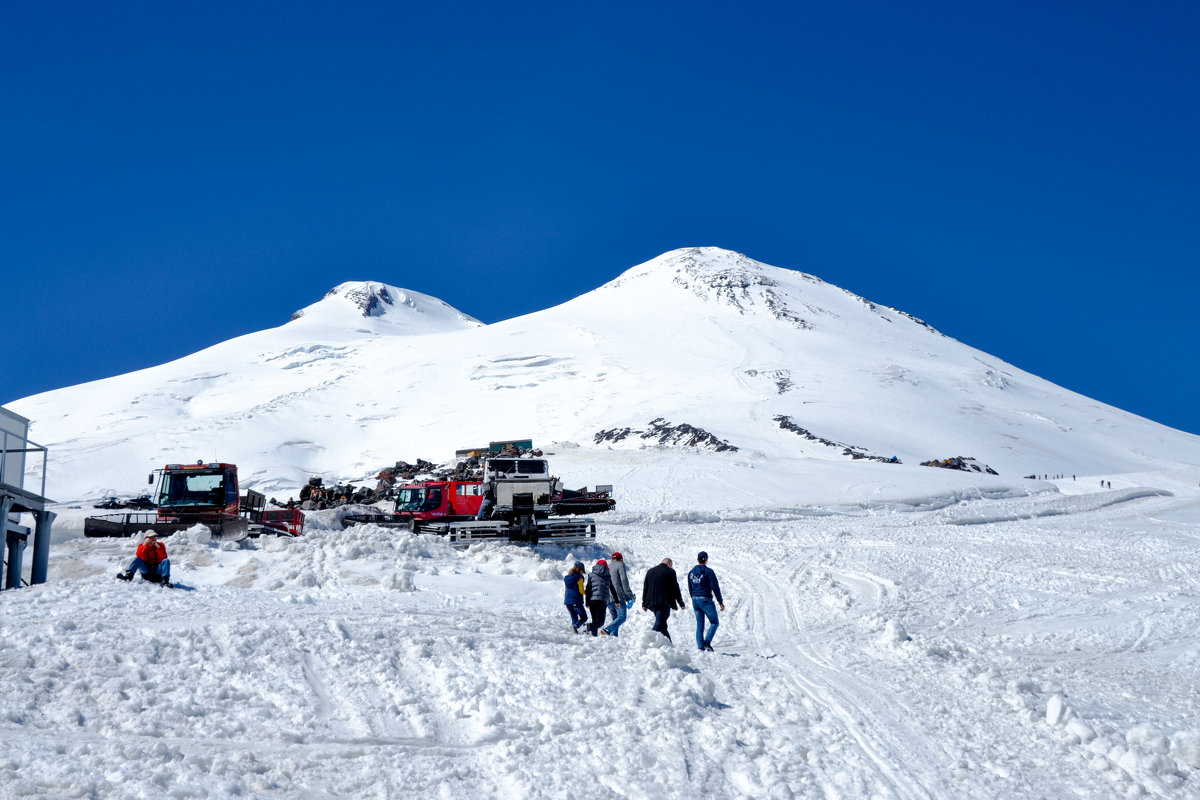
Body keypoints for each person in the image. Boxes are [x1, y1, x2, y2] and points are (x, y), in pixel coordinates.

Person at [687, 551, 725, 651]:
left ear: (697, 559)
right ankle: (707, 642)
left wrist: (693, 597)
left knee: (700, 625)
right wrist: (720, 602)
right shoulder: (709, 572)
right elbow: (715, 587)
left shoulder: (691, 572)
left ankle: (700, 647)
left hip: (695, 599)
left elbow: (690, 587)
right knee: (714, 622)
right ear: (706, 559)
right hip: (705, 599)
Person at [642, 557, 685, 640]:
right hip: (664, 602)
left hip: (651, 603)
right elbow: (675, 588)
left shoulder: (650, 571)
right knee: (660, 622)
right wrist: (681, 603)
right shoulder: (670, 572)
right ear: (669, 564)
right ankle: (648, 640)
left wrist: (644, 603)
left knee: (662, 624)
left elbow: (646, 587)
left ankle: (669, 644)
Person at [602, 551, 634, 637]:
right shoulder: (620, 565)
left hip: (608, 598)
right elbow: (624, 581)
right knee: (622, 617)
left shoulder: (607, 567)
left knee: (615, 619)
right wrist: (630, 595)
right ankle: (608, 629)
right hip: (618, 597)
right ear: (621, 559)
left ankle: (613, 639)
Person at [585, 559, 617, 636]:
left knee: (595, 620)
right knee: (600, 622)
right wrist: (617, 601)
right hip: (602, 601)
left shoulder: (591, 575)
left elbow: (588, 588)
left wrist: (587, 601)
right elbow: (612, 589)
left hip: (592, 600)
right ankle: (589, 627)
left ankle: (594, 636)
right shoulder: (608, 576)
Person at [563, 562, 587, 633]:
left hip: (568, 602)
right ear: (580, 569)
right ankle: (575, 626)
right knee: (584, 617)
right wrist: (588, 592)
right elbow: (581, 591)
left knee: (574, 619)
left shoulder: (567, 578)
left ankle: (574, 633)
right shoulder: (579, 577)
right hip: (576, 601)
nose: (583, 573)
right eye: (582, 571)